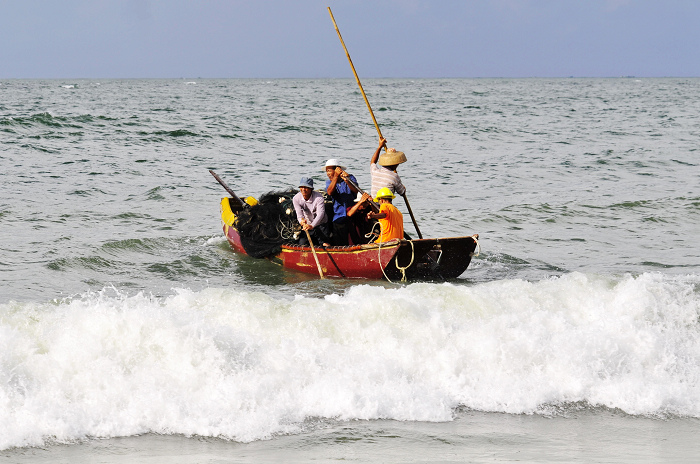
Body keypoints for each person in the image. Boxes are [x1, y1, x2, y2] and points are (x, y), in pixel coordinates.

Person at [325, 158, 359, 246]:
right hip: (339, 216)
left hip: (353, 215)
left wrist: (347, 180)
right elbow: (329, 192)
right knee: (340, 242)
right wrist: (335, 177)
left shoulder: (350, 177)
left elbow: (355, 190)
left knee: (354, 240)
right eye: (326, 171)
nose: (328, 174)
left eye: (329, 171)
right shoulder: (330, 183)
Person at [292, 177, 330, 247]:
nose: (303, 189)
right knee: (302, 244)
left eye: (306, 187)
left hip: (321, 224)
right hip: (307, 225)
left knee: (324, 244)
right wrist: (302, 222)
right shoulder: (296, 198)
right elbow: (299, 214)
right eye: (302, 187)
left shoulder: (319, 198)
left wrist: (312, 226)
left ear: (311, 189)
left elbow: (320, 215)